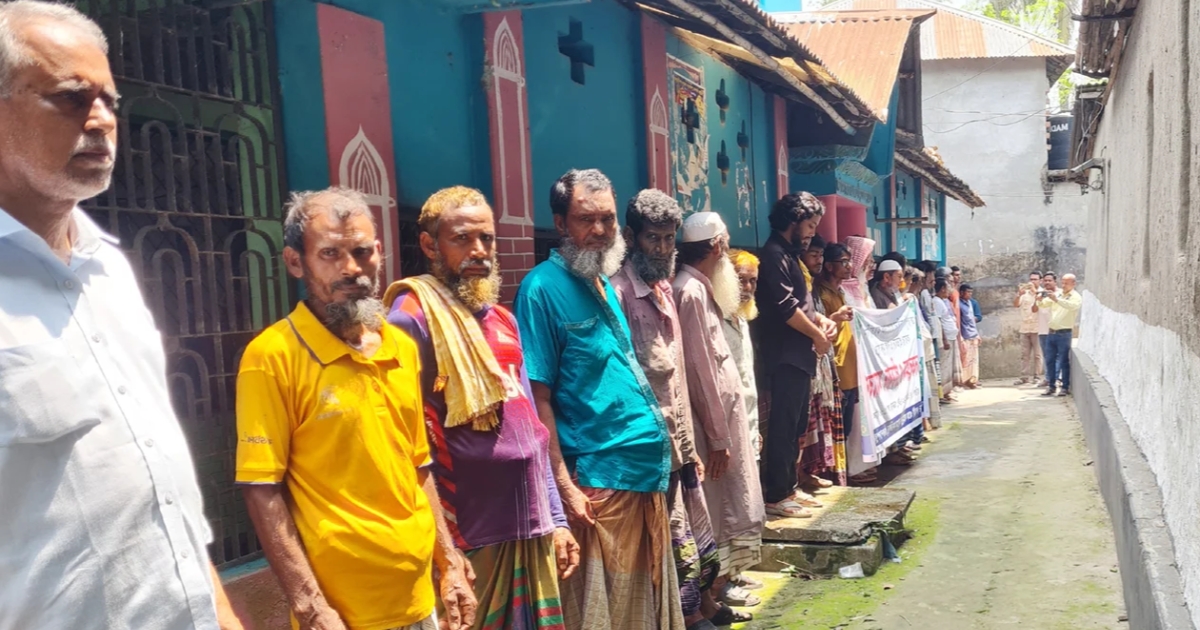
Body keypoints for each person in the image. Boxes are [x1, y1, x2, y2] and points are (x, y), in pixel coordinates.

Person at [0, 3, 243, 628]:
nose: (102, 120)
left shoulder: (109, 268)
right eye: (70, 98)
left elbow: (159, 483)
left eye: (110, 100)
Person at [236, 188, 476, 630]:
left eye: (362, 252)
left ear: (379, 253)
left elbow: (417, 465)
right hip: (342, 614)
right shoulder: (271, 357)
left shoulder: (400, 347)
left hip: (419, 599)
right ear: (295, 262)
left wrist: (449, 563)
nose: (351, 268)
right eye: (330, 253)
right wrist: (311, 607)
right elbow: (261, 489)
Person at [384, 186, 579, 630]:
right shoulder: (410, 318)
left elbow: (533, 430)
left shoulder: (502, 319)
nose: (478, 251)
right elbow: (404, 444)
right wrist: (444, 553)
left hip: (529, 524)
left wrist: (556, 517)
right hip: (469, 535)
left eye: (486, 238)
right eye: (462, 239)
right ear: (430, 245)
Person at [514, 169, 682, 630]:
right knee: (601, 615)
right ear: (560, 223)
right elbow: (538, 400)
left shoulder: (602, 282)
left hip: (642, 476)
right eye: (586, 219)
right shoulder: (541, 289)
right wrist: (564, 490)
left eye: (607, 219)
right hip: (596, 483)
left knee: (640, 615)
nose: (600, 230)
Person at [610, 189, 721, 630]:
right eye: (652, 238)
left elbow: (676, 375)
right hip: (645, 451)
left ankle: (697, 610)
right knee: (667, 542)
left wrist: (691, 447)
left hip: (678, 445)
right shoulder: (618, 293)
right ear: (630, 237)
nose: (661, 248)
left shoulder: (663, 290)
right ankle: (686, 619)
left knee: (689, 535)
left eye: (668, 239)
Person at [673, 213, 765, 619]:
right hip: (709, 429)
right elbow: (699, 371)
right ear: (717, 246)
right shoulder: (690, 291)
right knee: (711, 514)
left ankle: (713, 599)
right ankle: (705, 604)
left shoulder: (700, 288)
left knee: (723, 511)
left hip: (721, 423)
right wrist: (718, 437)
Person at [754, 192, 837, 519]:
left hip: (799, 354)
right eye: (810, 225)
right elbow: (786, 308)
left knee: (797, 424)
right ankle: (776, 494)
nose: (811, 233)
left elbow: (803, 305)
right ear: (794, 220)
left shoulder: (789, 256)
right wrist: (817, 335)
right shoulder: (774, 254)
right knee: (784, 425)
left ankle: (789, 487)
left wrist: (821, 322)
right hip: (784, 354)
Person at [814, 242, 867, 484]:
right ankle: (836, 475)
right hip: (836, 368)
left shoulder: (839, 291)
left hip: (850, 367)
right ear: (829, 266)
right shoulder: (822, 294)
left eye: (849, 261)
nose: (848, 267)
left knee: (845, 426)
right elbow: (820, 329)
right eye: (843, 262)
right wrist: (835, 317)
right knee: (836, 425)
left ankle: (844, 472)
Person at [1038, 272, 1082, 396]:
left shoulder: (1075, 296)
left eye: (1066, 283)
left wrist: (1057, 299)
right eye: (1062, 283)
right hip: (1051, 332)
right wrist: (1039, 299)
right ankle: (1051, 386)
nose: (1063, 285)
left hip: (1064, 333)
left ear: (1073, 284)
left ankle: (1064, 387)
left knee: (1063, 361)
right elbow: (1044, 304)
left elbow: (1072, 306)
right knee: (1049, 360)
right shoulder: (1058, 294)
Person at [1013, 272, 1043, 385]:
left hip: (1037, 327)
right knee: (1024, 355)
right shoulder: (1024, 293)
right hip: (1025, 327)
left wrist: (1035, 292)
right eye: (1031, 279)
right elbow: (1016, 305)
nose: (1032, 281)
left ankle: (1037, 376)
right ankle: (1024, 377)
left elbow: (1041, 306)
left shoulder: (1042, 292)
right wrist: (1018, 295)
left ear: (1040, 281)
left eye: (1035, 279)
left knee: (1037, 355)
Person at [934, 278, 960, 404]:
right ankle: (942, 394)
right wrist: (944, 339)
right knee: (944, 366)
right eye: (947, 287)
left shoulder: (943, 301)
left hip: (951, 336)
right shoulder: (936, 302)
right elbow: (938, 321)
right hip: (947, 338)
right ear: (942, 289)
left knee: (949, 366)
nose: (949, 290)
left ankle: (947, 392)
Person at [958, 283, 981, 389]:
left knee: (974, 360)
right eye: (968, 292)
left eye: (971, 292)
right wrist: (961, 337)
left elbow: (972, 320)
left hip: (973, 334)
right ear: (962, 292)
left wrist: (977, 334)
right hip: (965, 335)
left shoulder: (970, 303)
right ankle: (964, 380)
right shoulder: (958, 304)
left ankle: (972, 380)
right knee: (966, 359)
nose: (970, 294)